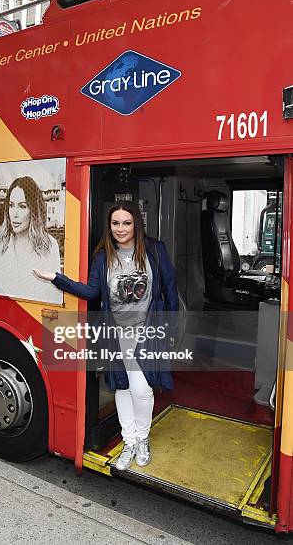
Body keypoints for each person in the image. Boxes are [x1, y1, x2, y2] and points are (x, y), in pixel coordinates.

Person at [34, 202, 178, 471]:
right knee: (122, 387)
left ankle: (142, 439)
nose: (121, 229)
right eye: (115, 223)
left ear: (136, 224)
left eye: (126, 223)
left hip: (148, 332)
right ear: (109, 226)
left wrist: (171, 330)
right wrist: (57, 278)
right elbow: (91, 293)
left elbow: (170, 289)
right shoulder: (103, 257)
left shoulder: (155, 251)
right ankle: (129, 441)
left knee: (141, 388)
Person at [0, 176, 62, 303]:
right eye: (11, 205)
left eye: (22, 206)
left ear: (33, 210)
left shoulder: (50, 246)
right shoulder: (0, 244)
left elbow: (55, 297)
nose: (15, 213)